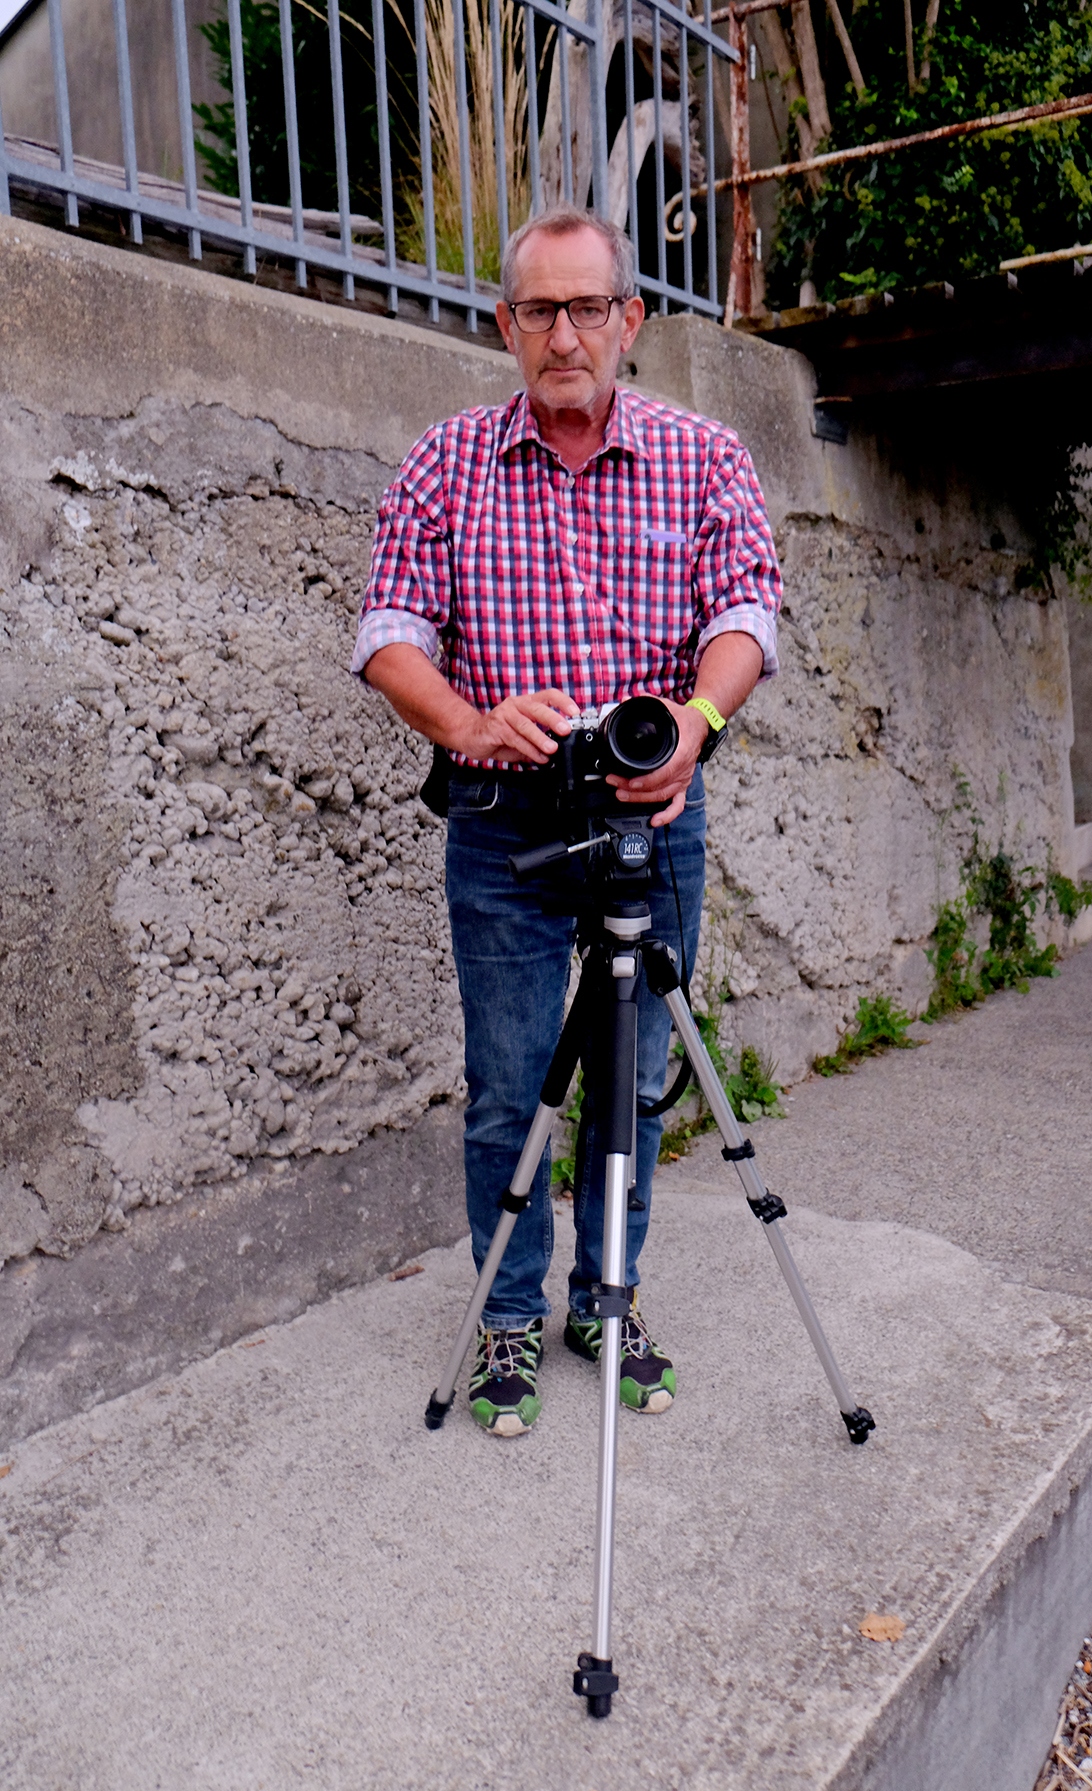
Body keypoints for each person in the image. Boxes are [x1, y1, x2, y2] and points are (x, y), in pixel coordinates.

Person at [353, 204, 781, 1437]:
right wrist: (472, 722)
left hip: (654, 816)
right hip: (504, 824)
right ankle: (507, 1315)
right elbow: (387, 633)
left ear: (628, 318)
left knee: (633, 1085)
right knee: (507, 1087)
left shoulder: (704, 456)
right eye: (539, 310)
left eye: (587, 307)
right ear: (506, 325)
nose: (564, 335)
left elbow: (748, 610)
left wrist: (695, 720)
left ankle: (608, 1296)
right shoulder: (445, 463)